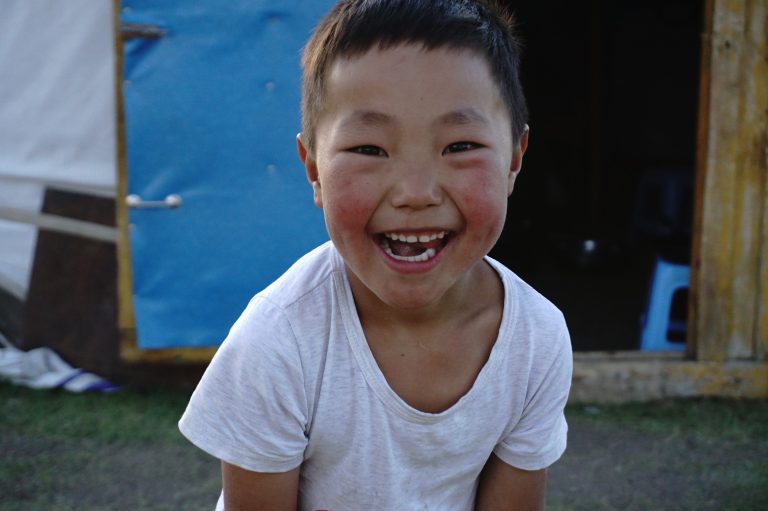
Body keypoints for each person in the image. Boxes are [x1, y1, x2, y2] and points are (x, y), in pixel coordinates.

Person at [179, 0, 572, 509]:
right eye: (369, 149)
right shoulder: (279, 341)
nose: (415, 192)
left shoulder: (536, 339)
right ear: (314, 170)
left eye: (459, 146)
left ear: (514, 161)